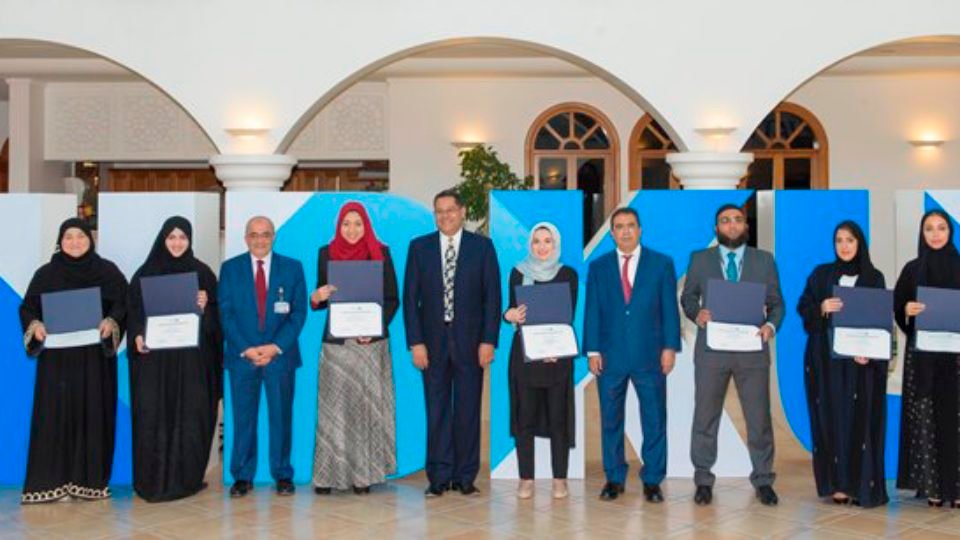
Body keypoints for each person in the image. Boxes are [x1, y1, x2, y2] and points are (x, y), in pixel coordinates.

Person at [681, 203, 784, 507]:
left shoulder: (764, 261)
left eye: (737, 220)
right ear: (716, 228)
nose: (731, 225)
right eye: (725, 221)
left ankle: (763, 479)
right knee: (705, 416)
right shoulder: (700, 259)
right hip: (713, 351)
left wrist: (770, 326)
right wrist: (696, 313)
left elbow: (777, 303)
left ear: (745, 226)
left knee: (759, 418)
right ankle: (702, 479)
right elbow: (688, 297)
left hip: (752, 351)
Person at [19, 218, 128, 504]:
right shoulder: (45, 274)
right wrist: (35, 325)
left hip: (94, 360)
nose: (75, 242)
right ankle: (51, 482)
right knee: (55, 415)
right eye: (68, 237)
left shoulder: (107, 271)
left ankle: (89, 482)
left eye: (80, 236)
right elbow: (28, 306)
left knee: (93, 413)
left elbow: (123, 303)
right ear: (60, 240)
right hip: (57, 360)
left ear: (90, 239)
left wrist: (111, 321)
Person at [403, 189, 501, 497]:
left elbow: (492, 299)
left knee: (469, 410)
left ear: (462, 212)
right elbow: (410, 300)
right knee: (437, 411)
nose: (445, 216)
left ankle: (465, 476)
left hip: (472, 344)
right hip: (431, 345)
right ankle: (438, 476)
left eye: (450, 210)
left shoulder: (482, 248)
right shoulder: (419, 248)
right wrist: (415, 343)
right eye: (439, 211)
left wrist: (488, 340)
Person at [584, 207, 680, 503]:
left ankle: (652, 479)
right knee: (611, 419)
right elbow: (593, 311)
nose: (625, 231)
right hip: (610, 356)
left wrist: (669, 347)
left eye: (631, 226)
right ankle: (614, 477)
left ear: (640, 230)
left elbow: (669, 310)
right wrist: (592, 350)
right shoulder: (599, 267)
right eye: (619, 227)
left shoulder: (661, 264)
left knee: (654, 417)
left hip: (650, 355)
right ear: (612, 233)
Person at [127, 216, 222, 502]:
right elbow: (133, 315)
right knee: (153, 416)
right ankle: (152, 481)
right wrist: (138, 335)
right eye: (172, 237)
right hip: (155, 364)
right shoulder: (144, 274)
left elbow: (217, 324)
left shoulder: (203, 273)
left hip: (192, 363)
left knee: (191, 417)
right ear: (162, 239)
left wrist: (205, 309)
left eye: (183, 237)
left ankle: (187, 479)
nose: (177, 242)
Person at [310, 202, 399, 495]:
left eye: (357, 223)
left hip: (370, 346)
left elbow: (392, 298)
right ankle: (328, 476)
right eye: (346, 223)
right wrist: (317, 296)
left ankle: (363, 476)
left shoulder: (381, 252)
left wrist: (371, 330)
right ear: (339, 226)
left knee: (365, 410)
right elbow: (320, 299)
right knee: (333, 410)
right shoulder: (326, 253)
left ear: (366, 226)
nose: (351, 229)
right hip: (337, 344)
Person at [797, 221, 888, 507]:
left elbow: (878, 320)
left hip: (861, 364)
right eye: (839, 240)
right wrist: (822, 308)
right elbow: (804, 307)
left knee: (859, 421)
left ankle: (860, 485)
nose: (845, 246)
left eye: (850, 240)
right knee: (831, 419)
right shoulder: (821, 274)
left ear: (860, 243)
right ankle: (836, 484)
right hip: (827, 363)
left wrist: (869, 352)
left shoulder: (874, 277)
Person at [219, 216, 307, 497]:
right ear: (246, 238)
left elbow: (298, 313)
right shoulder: (230, 269)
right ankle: (242, 476)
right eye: (254, 234)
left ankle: (282, 474)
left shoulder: (292, 268)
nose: (260, 240)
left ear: (273, 237)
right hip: (242, 357)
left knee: (281, 417)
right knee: (243, 419)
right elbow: (226, 314)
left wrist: (274, 347)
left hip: (280, 358)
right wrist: (247, 348)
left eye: (266, 234)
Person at [503, 222, 578, 500]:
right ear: (530, 245)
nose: (542, 246)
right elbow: (511, 309)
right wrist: (507, 315)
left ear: (555, 244)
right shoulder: (518, 272)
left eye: (547, 241)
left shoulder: (567, 274)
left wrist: (553, 346)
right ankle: (526, 479)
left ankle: (560, 479)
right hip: (525, 357)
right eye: (537, 241)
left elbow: (567, 315)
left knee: (558, 418)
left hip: (556, 358)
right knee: (525, 419)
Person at [894, 209, 960, 507]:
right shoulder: (912, 269)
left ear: (950, 232)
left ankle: (957, 488)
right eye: (929, 229)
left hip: (956, 360)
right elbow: (898, 307)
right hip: (923, 359)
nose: (935, 234)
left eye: (941, 228)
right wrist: (906, 311)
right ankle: (933, 487)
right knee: (927, 419)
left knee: (955, 420)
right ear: (922, 234)